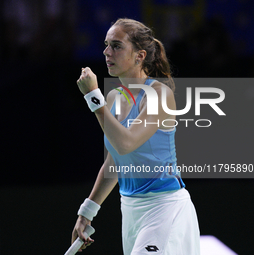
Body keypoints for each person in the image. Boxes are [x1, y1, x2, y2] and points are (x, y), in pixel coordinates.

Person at [71, 18, 200, 254]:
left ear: (139, 56)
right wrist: (86, 213)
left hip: (166, 208)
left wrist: (92, 96)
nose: (107, 52)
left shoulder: (159, 94)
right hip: (130, 212)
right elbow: (114, 162)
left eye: (117, 46)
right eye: (106, 44)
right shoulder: (115, 98)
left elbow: (126, 144)